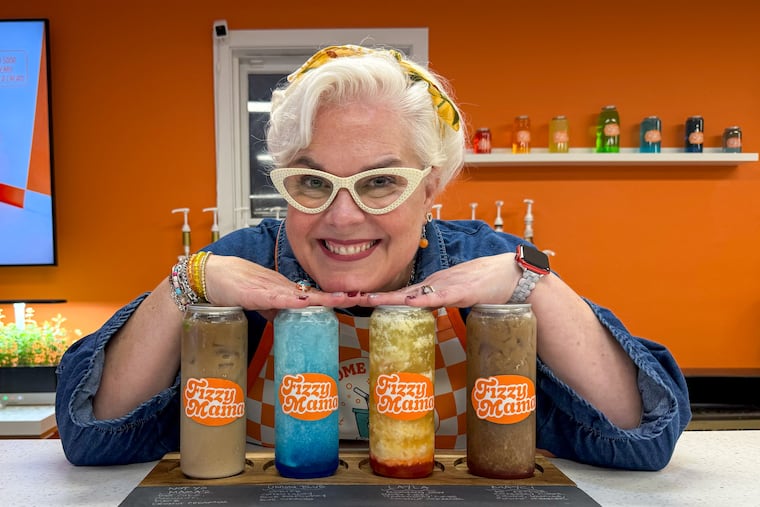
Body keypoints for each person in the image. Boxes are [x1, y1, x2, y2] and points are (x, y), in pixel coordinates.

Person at [55, 44, 691, 470]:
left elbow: (640, 436)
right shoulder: (241, 265)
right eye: (312, 182)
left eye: (381, 182)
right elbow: (93, 436)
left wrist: (534, 280)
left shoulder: (488, 266)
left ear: (432, 186)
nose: (342, 217)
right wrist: (188, 281)